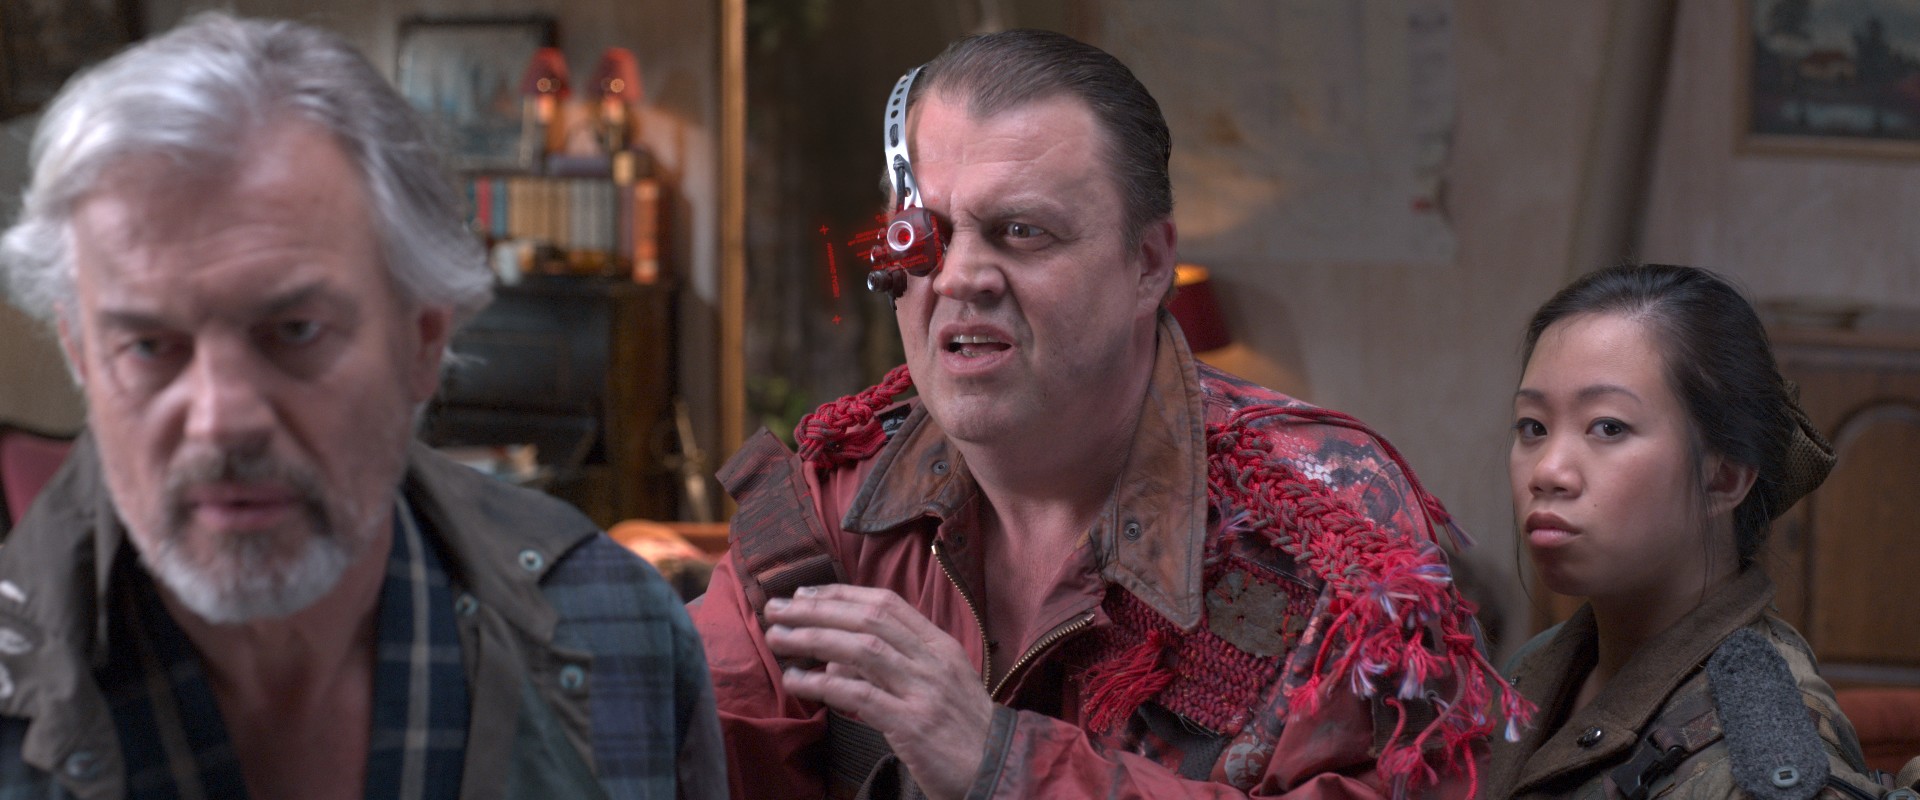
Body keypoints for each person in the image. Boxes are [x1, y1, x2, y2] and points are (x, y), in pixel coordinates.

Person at [691, 29, 1528, 799]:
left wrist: (1004, 765)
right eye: (928, 235)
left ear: (1149, 264)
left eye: (1022, 231)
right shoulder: (831, 503)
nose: (961, 277)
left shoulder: (1329, 530)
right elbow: (687, 747)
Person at [0, 14, 724, 799]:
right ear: (80, 355)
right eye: (148, 345)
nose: (220, 420)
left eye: (295, 330)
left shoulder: (619, 631)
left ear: (423, 339)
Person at [1488, 264, 1891, 798]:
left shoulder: (1754, 762)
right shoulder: (1535, 666)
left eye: (1608, 427)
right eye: (1533, 427)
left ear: (1724, 478)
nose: (1547, 472)